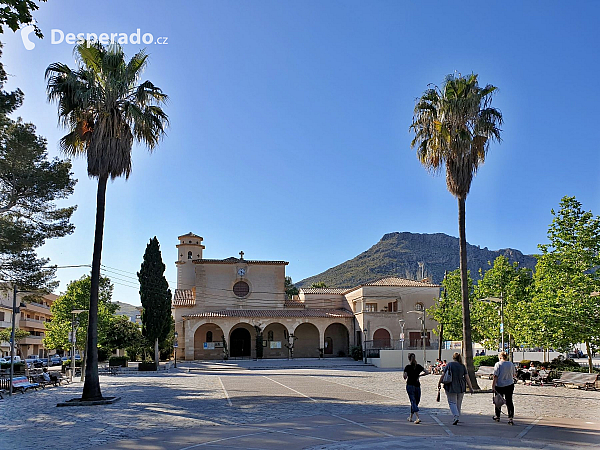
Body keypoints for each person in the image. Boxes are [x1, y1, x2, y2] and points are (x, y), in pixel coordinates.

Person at [438, 352, 473, 425]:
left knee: (452, 402)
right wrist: (470, 387)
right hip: (461, 386)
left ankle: (456, 416)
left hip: (451, 385)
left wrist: (439, 382)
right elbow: (467, 377)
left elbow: (443, 375)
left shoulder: (450, 365)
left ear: (453, 357)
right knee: (458, 402)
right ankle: (457, 416)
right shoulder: (462, 366)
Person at [403, 352, 429, 424]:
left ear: (409, 359)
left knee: (413, 401)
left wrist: (406, 375)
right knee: (416, 402)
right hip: (417, 385)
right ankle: (411, 417)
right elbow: (427, 372)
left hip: (410, 385)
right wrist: (420, 375)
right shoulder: (418, 366)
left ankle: (417, 417)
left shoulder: (407, 367)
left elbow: (405, 377)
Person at [492, 351, 516, 425]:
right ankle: (510, 418)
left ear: (500, 357)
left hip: (500, 385)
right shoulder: (511, 364)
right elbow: (514, 374)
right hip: (509, 384)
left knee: (498, 401)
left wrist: (493, 385)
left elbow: (495, 376)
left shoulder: (498, 364)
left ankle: (497, 416)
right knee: (509, 401)